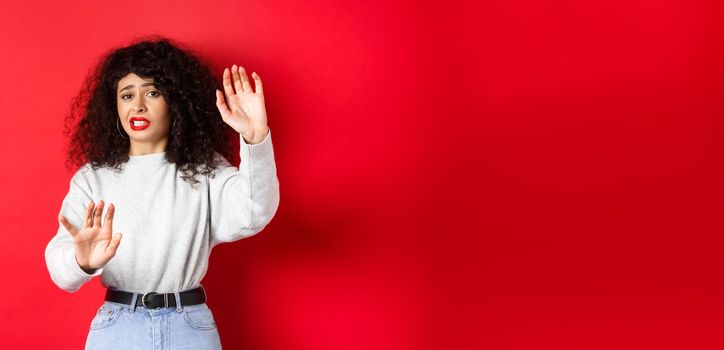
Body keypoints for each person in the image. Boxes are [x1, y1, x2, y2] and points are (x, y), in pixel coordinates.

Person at [43, 36, 280, 349]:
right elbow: (61, 272)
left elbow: (254, 211)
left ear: (175, 101)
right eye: (127, 95)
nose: (138, 105)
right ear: (114, 106)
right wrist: (80, 260)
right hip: (118, 328)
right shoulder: (93, 179)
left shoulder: (203, 169)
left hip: (190, 326)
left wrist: (255, 137)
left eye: (152, 92)